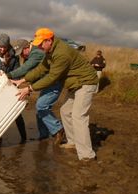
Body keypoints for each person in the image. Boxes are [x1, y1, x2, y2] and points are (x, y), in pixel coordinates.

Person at [12, 28, 98, 161]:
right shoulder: (49, 51)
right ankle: (72, 141)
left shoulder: (61, 53)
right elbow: (41, 69)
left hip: (86, 82)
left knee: (78, 116)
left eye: (41, 43)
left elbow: (52, 77)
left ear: (49, 40)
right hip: (75, 84)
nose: (39, 46)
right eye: (38, 44)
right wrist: (22, 80)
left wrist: (29, 88)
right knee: (65, 111)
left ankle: (87, 155)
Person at [5, 39, 64, 142]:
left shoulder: (36, 53)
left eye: (22, 53)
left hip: (53, 83)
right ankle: (44, 136)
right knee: (40, 110)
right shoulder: (31, 55)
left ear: (27, 48)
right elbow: (31, 73)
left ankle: (58, 129)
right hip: (47, 83)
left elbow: (25, 69)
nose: (21, 56)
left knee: (41, 106)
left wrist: (8, 75)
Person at [0, 33, 27, 145]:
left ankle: (24, 138)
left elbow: (17, 73)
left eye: (4, 47)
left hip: (9, 85)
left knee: (16, 113)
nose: (2, 49)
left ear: (8, 46)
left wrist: (7, 77)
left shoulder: (14, 55)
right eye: (0, 46)